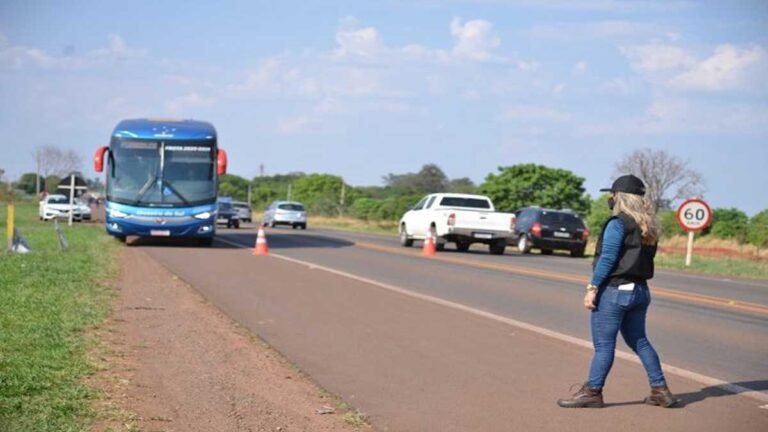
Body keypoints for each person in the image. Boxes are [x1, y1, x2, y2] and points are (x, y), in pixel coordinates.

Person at [557, 174, 678, 409]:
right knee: (640, 341)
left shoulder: (618, 224)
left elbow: (608, 258)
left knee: (604, 345)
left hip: (615, 291)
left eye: (612, 194)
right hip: (641, 291)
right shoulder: (649, 227)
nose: (610, 198)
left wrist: (592, 287)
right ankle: (660, 390)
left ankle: (592, 391)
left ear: (619, 197)